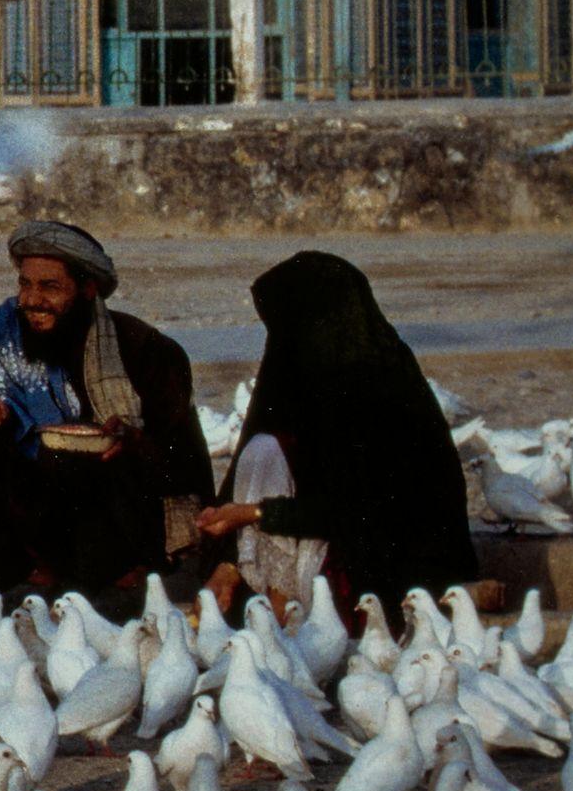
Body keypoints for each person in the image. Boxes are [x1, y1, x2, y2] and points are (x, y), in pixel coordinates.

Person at [0, 219, 210, 615]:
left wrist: (132, 441)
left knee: (79, 456)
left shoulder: (145, 349)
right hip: (47, 515)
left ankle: (122, 571)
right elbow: (5, 423)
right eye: (25, 284)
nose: (31, 300)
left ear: (87, 288)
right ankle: (38, 565)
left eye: (49, 287)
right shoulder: (8, 345)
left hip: (127, 508)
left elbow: (184, 463)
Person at [193, 251, 480, 615]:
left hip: (390, 563)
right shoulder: (297, 377)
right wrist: (228, 566)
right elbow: (260, 465)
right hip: (319, 540)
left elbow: (360, 509)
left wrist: (252, 514)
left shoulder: (381, 388)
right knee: (263, 449)